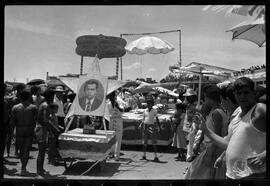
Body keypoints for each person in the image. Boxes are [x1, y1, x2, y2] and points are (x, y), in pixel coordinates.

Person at [200, 77, 266, 179]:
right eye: (239, 93)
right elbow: (228, 143)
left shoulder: (259, 109)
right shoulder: (237, 113)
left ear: (253, 93)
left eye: (246, 92)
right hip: (232, 174)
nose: (242, 96)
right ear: (234, 95)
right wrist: (206, 131)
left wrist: (264, 155)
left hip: (253, 174)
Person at [185, 84, 228, 179]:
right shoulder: (215, 110)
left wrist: (210, 154)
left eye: (205, 97)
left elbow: (217, 135)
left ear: (208, 97)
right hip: (210, 148)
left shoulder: (216, 112)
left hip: (213, 149)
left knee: (196, 173)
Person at [9, 90, 38, 176]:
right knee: (26, 150)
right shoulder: (33, 107)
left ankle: (23, 168)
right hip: (29, 129)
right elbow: (36, 120)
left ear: (20, 97)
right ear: (29, 97)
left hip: (19, 130)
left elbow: (12, 122)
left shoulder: (15, 107)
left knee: (21, 150)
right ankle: (23, 168)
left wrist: (11, 133)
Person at [35, 89, 55, 176]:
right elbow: (45, 120)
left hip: (41, 129)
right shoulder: (46, 106)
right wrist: (51, 132)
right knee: (41, 151)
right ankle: (39, 170)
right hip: (42, 129)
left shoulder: (43, 104)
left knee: (42, 151)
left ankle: (40, 169)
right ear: (51, 97)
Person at [6, 83, 26, 158]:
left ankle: (15, 152)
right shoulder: (14, 99)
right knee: (10, 136)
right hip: (12, 119)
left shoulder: (19, 98)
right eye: (23, 89)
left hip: (18, 119)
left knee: (18, 136)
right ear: (20, 90)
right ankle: (8, 153)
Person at [139, 94, 161, 162]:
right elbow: (143, 119)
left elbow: (157, 119)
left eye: (150, 103)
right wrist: (140, 124)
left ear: (152, 104)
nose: (149, 104)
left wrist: (159, 126)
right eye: (148, 103)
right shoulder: (145, 110)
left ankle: (156, 156)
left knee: (153, 142)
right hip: (145, 126)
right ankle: (144, 155)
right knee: (144, 142)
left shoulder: (154, 111)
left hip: (152, 126)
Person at [182, 88, 198, 162]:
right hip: (189, 127)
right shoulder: (191, 105)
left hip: (192, 126)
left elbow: (191, 116)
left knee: (191, 145)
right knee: (190, 145)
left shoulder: (193, 106)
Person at [107, 91, 124, 161]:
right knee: (111, 138)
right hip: (111, 120)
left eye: (112, 96)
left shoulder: (119, 101)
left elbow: (122, 110)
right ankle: (111, 153)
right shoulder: (108, 103)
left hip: (118, 120)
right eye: (110, 96)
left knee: (118, 138)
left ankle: (117, 155)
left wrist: (117, 106)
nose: (111, 97)